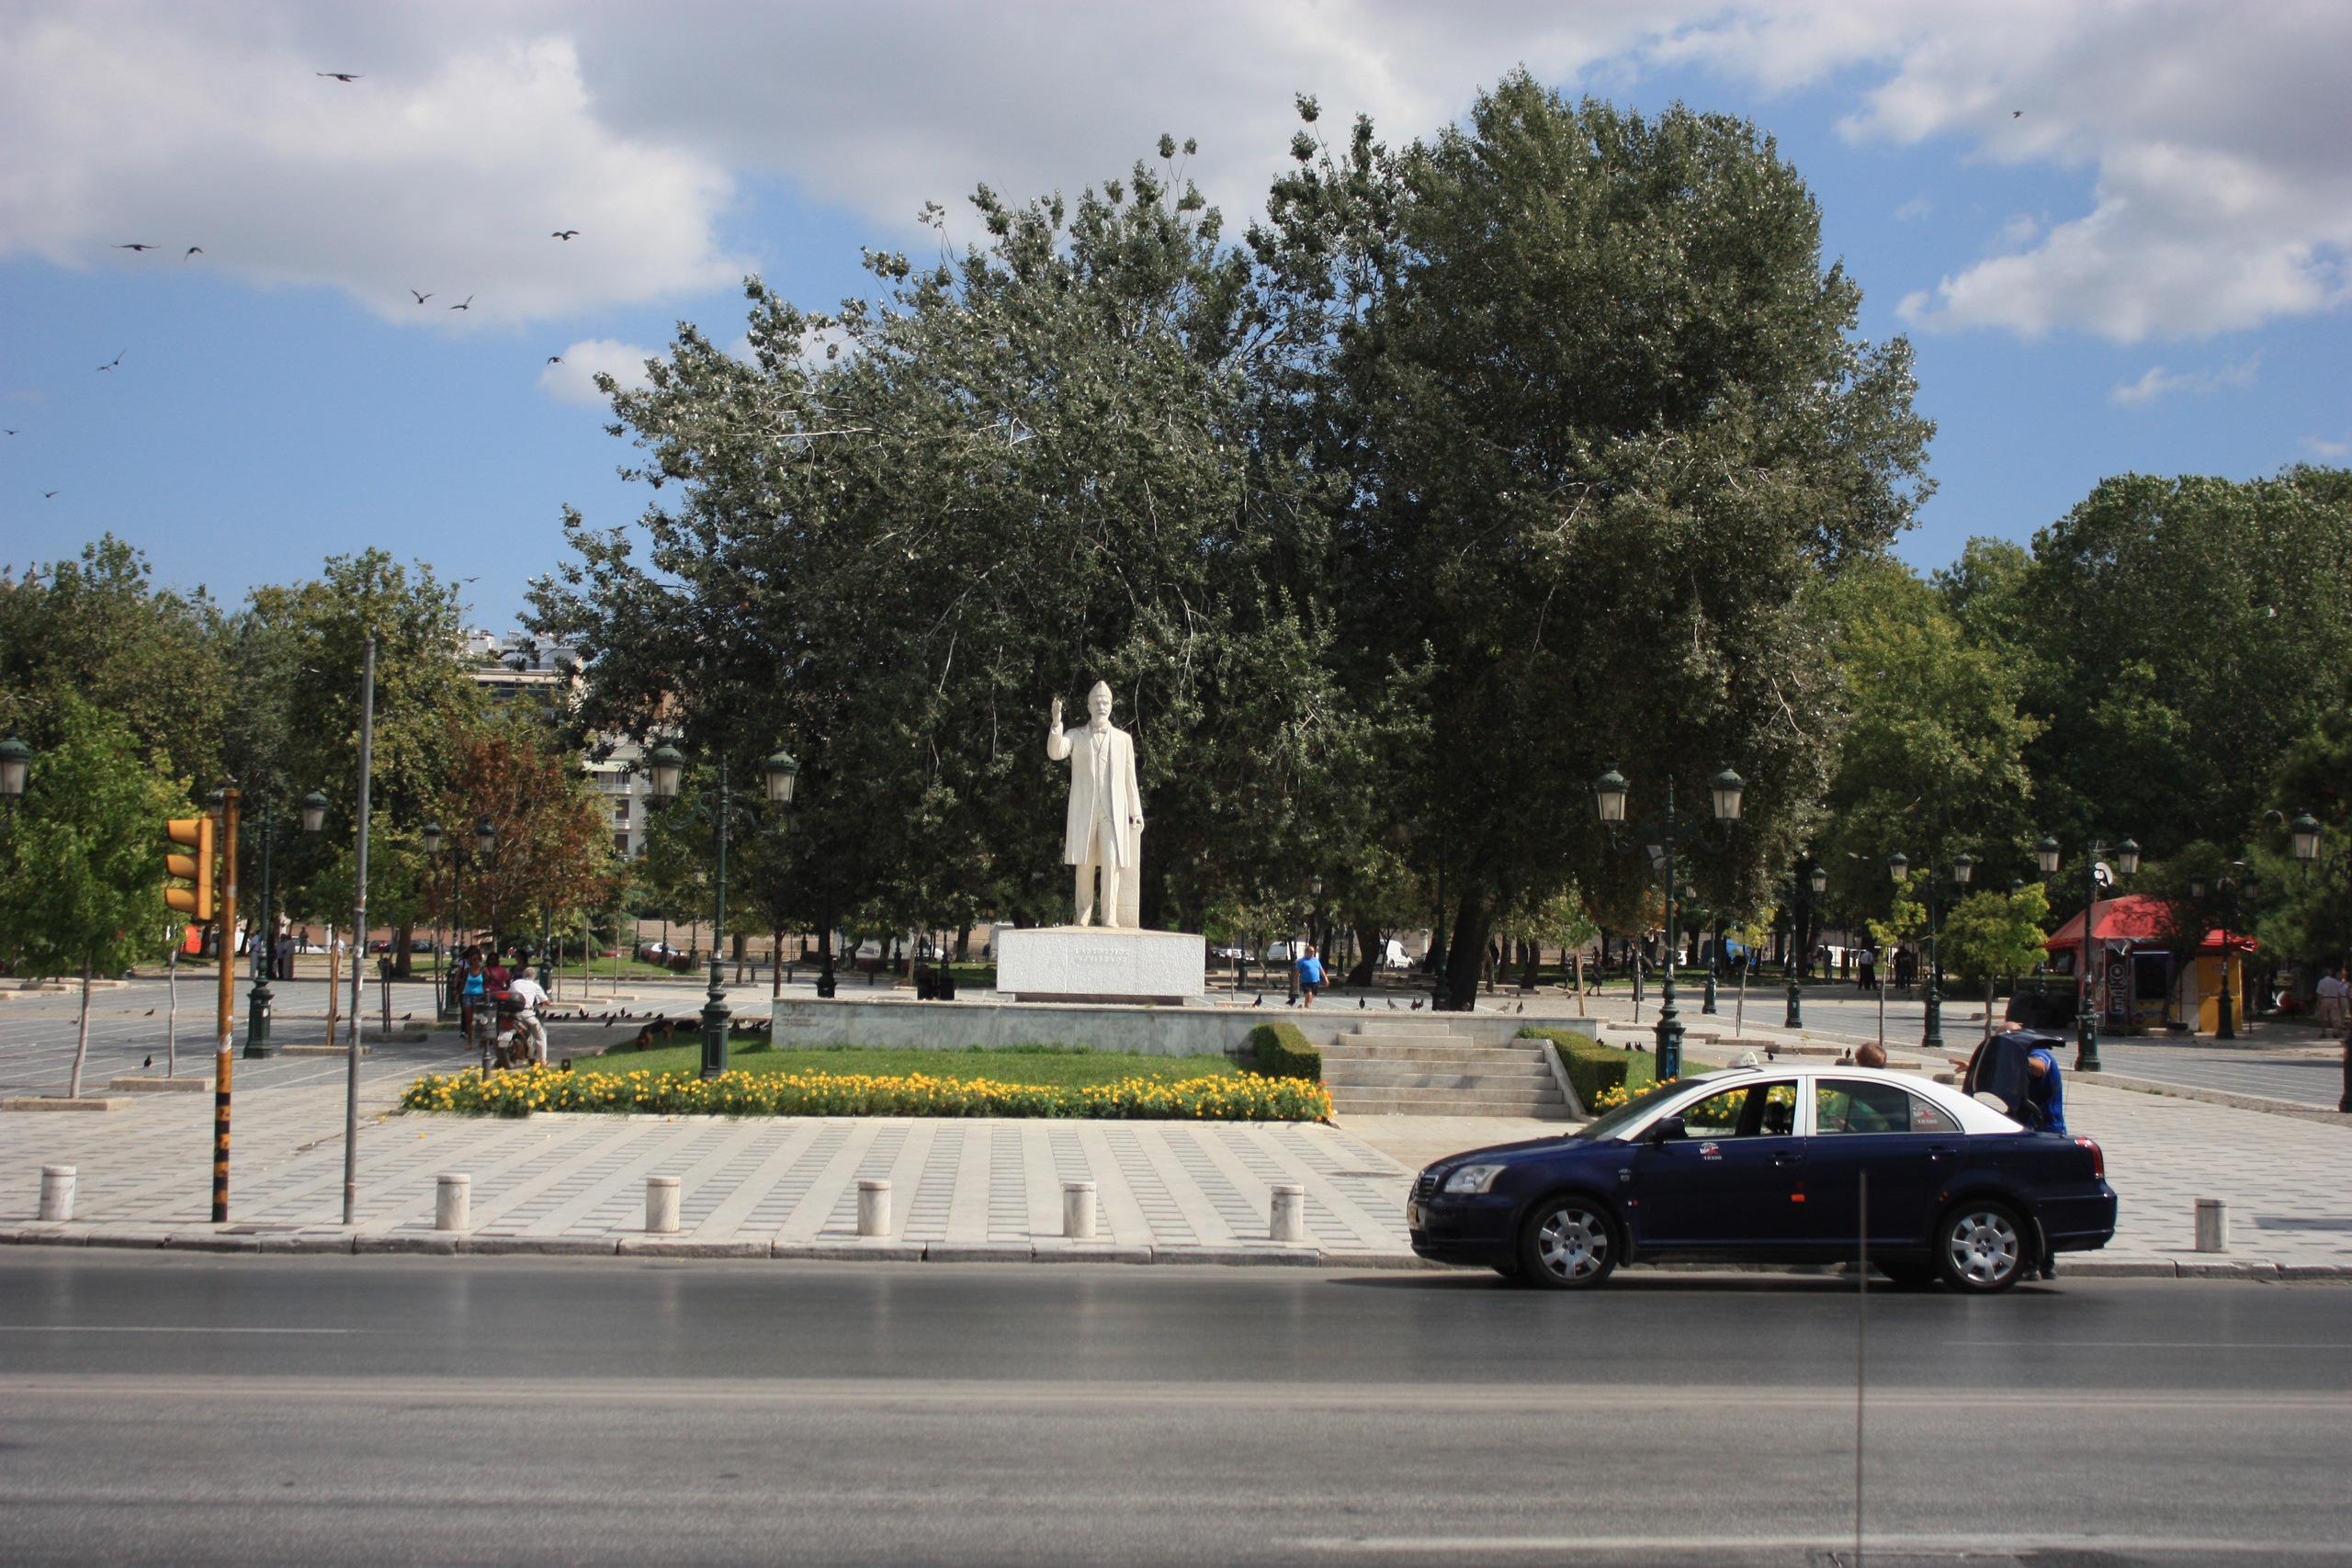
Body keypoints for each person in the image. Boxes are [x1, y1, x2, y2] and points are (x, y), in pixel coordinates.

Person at [504, 968, 550, 1066]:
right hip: (527, 1014)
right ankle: (543, 1060)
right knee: (541, 1035)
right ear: (534, 976)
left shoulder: (514, 983)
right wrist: (546, 1002)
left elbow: (508, 994)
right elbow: (546, 1002)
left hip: (512, 1014)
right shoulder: (535, 986)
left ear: (523, 974)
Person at [1295, 942, 1326, 1008]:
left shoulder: (1316, 961)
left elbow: (1321, 970)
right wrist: (1295, 982)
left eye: (1313, 951)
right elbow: (1297, 972)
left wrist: (1325, 978)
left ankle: (1303, 1006)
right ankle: (1308, 1010)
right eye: (1311, 951)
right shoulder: (1302, 961)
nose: (1313, 953)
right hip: (1306, 982)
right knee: (1309, 995)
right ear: (1307, 952)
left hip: (1315, 982)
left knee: (1310, 998)